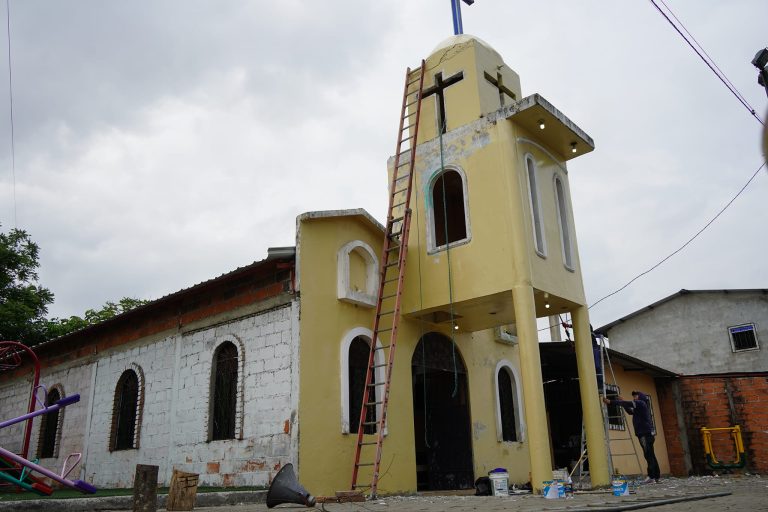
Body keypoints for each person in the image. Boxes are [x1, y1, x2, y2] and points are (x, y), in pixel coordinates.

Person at [603, 390, 660, 483]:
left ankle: (651, 476)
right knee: (651, 455)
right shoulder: (639, 408)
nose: (634, 398)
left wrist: (611, 402)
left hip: (644, 434)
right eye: (634, 397)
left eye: (636, 396)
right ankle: (656, 476)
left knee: (648, 455)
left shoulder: (641, 403)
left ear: (640, 397)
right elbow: (630, 411)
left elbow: (628, 403)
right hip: (646, 434)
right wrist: (623, 402)